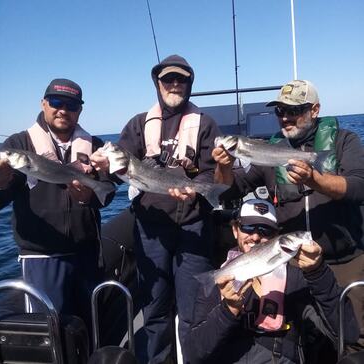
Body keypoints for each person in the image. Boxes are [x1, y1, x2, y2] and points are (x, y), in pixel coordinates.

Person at [213, 80, 364, 351]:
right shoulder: (271, 151)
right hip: (291, 264)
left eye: (294, 110)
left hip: (344, 261)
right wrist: (222, 168)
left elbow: (359, 186)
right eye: (280, 111)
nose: (285, 117)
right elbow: (229, 190)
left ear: (315, 110)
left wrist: (316, 180)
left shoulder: (345, 141)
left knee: (353, 338)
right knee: (298, 337)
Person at [91, 54, 220, 363]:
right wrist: (102, 166)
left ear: (190, 84)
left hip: (194, 228)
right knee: (155, 309)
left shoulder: (206, 123)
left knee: (194, 311)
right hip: (150, 232)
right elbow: (115, 171)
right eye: (168, 79)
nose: (174, 84)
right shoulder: (138, 124)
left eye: (181, 79)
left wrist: (195, 189)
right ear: (157, 83)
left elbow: (211, 171)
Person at [0, 78, 115, 336]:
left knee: (90, 328)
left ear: (80, 110)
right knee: (52, 333)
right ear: (43, 103)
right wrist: (1, 180)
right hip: (42, 258)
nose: (63, 109)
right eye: (56, 102)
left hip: (87, 255)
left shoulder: (94, 145)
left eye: (71, 105)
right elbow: (2, 198)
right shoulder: (19, 145)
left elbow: (106, 194)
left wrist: (87, 196)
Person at [184, 199, 359, 363]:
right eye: (248, 227)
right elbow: (193, 354)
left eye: (265, 230)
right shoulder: (219, 279)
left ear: (276, 235)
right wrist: (228, 310)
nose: (255, 237)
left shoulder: (297, 278)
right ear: (235, 230)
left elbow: (348, 334)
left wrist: (318, 272)